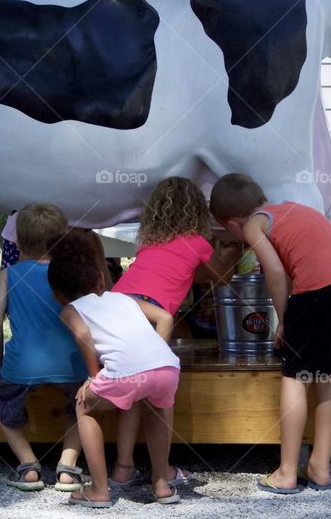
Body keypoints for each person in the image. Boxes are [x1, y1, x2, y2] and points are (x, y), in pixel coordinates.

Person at [209, 173, 331, 493]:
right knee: (329, 376)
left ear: (231, 222)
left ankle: (287, 472)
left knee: (296, 376)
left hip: (318, 293)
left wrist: (285, 321)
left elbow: (276, 273)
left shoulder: (253, 224)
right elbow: (300, 263)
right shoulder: (294, 209)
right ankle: (320, 467)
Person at [108, 176, 240, 490]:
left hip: (115, 307)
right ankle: (162, 474)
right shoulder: (198, 243)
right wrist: (233, 253)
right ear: (197, 213)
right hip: (151, 315)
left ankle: (123, 470)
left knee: (131, 394)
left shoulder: (149, 243)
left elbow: (175, 275)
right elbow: (220, 277)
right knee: (158, 396)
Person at [48, 228, 182, 507]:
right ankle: (161, 485)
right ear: (101, 279)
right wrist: (150, 358)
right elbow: (165, 317)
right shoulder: (124, 298)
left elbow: (83, 335)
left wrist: (93, 376)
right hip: (167, 367)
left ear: (57, 294)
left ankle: (98, 489)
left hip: (125, 375)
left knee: (84, 406)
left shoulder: (70, 309)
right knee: (157, 410)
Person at [0, 203, 88, 492]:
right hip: (73, 364)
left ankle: (28, 465)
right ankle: (68, 466)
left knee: (1, 401)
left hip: (21, 366)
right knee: (84, 406)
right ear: (63, 239)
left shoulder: (9, 275)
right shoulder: (71, 275)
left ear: (16, 241)